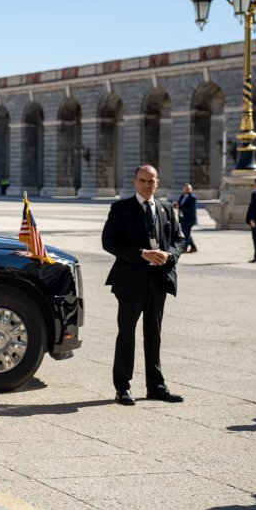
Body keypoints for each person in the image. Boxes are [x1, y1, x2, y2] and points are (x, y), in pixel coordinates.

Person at [102, 165, 186, 406]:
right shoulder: (120, 209)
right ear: (134, 182)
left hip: (159, 280)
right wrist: (141, 253)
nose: (147, 186)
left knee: (154, 334)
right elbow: (109, 242)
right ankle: (123, 387)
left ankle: (156, 386)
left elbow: (180, 239)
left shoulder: (166, 209)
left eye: (151, 181)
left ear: (157, 183)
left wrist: (169, 255)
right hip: (130, 282)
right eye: (143, 181)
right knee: (126, 334)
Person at [177, 184, 198, 253]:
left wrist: (179, 207)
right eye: (186, 188)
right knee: (186, 233)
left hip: (189, 219)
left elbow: (191, 209)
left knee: (186, 234)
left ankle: (185, 248)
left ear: (191, 189)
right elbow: (180, 205)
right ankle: (193, 247)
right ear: (183, 189)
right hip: (182, 218)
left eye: (189, 189)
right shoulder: (182, 196)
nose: (187, 190)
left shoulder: (193, 198)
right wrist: (176, 205)